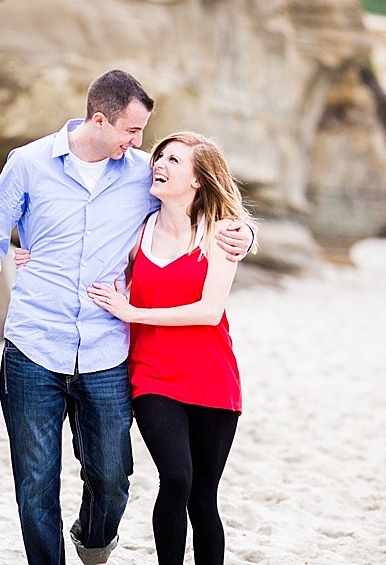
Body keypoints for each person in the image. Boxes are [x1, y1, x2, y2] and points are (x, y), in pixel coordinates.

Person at [0, 70, 254, 565]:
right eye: (132, 131)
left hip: (105, 350)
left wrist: (245, 238)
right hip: (34, 343)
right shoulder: (28, 164)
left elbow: (204, 208)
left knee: (112, 477)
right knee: (35, 481)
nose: (141, 144)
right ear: (101, 119)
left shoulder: (143, 174)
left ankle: (94, 540)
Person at [85, 131, 251, 564]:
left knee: (203, 498)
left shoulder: (224, 234)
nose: (159, 163)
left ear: (198, 179)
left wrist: (133, 313)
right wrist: (34, 255)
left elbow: (209, 312)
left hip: (212, 379)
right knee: (176, 478)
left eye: (174, 160)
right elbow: (88, 253)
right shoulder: (139, 231)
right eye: (159, 156)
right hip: (152, 376)